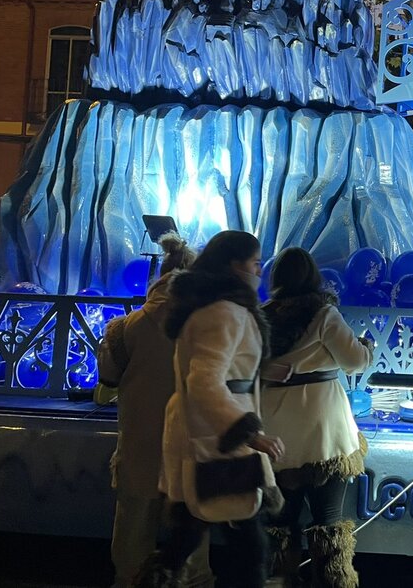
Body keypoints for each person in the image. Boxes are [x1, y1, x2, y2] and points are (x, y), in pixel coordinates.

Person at [136, 230, 285, 588]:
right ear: (235, 266)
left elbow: (218, 372)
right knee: (247, 540)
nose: (259, 271)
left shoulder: (213, 309)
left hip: (204, 429)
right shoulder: (225, 312)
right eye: (255, 263)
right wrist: (249, 432)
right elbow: (205, 380)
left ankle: (157, 577)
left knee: (192, 529)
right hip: (215, 436)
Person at [97, 234, 212, 588]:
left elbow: (107, 379)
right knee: (191, 539)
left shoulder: (124, 329)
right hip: (192, 446)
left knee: (133, 534)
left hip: (140, 445)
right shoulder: (212, 327)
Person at [261, 247, 373, 587]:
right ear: (313, 277)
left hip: (276, 427)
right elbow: (354, 362)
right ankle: (332, 581)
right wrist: (367, 348)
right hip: (324, 430)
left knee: (281, 521)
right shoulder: (324, 315)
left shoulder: (260, 316)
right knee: (328, 520)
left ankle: (280, 580)